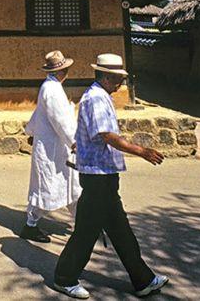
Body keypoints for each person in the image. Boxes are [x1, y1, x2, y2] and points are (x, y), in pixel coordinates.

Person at [53, 53, 169, 299]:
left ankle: (143, 280)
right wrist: (141, 151)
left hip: (104, 173)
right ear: (105, 77)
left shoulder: (101, 96)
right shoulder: (95, 98)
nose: (119, 84)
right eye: (117, 79)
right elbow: (107, 135)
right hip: (97, 175)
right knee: (87, 231)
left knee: (119, 229)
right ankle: (64, 278)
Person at [20, 50, 82, 243]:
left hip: (55, 146)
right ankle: (30, 225)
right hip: (52, 149)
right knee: (48, 188)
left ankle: (83, 225)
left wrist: (32, 131)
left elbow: (39, 113)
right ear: (63, 72)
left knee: (73, 187)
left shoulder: (49, 87)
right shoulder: (53, 90)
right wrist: (75, 142)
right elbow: (61, 120)